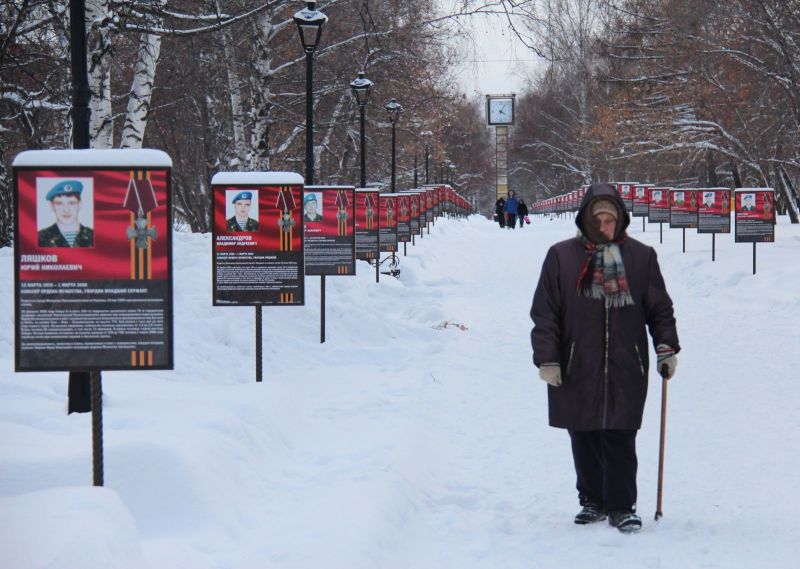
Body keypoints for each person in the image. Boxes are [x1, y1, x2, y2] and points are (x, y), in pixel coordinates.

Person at [530, 183, 680, 533]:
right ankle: (592, 500)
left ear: (620, 220)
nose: (604, 226)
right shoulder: (561, 257)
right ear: (585, 219)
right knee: (582, 432)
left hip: (626, 362)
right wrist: (548, 358)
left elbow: (660, 309)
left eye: (609, 219)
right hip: (576, 362)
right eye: (597, 219)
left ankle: (621, 506)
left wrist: (666, 347)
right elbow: (545, 312)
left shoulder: (641, 257)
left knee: (620, 433)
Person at [38, 179, 94, 247]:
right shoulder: (40, 238)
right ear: (51, 206)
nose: (66, 210)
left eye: (72, 203)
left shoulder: (93, 236)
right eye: (59, 203)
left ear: (80, 205)